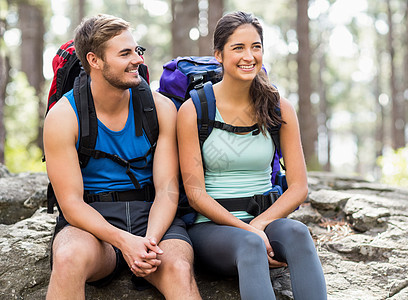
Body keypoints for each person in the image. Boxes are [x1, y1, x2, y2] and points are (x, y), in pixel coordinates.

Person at [44, 14, 201, 300]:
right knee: (68, 259)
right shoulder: (63, 118)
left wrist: (149, 242)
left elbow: (167, 189)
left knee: (178, 268)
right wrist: (124, 242)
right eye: (125, 53)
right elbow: (70, 205)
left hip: (154, 219)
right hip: (91, 225)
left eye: (137, 51)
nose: (138, 59)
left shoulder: (161, 108)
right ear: (94, 60)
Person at [177, 11, 327, 300]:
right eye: (238, 48)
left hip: (265, 219)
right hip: (212, 229)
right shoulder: (194, 110)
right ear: (218, 55)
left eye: (256, 47)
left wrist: (259, 225)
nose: (249, 56)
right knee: (249, 244)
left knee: (297, 233)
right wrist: (251, 233)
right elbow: (195, 195)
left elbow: (299, 187)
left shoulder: (278, 107)